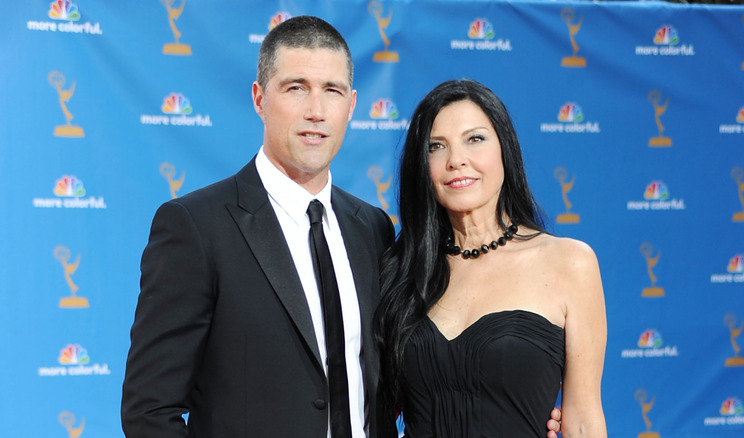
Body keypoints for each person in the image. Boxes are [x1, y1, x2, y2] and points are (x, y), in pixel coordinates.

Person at [121, 15, 563, 438]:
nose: (316, 111)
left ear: (350, 105)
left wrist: (510, 407)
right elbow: (149, 409)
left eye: (331, 91)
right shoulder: (197, 227)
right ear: (259, 98)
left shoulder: (372, 229)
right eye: (296, 88)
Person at [375, 79, 607, 438]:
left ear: (505, 150)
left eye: (475, 139)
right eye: (436, 146)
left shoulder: (569, 263)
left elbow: (583, 423)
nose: (456, 160)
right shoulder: (400, 270)